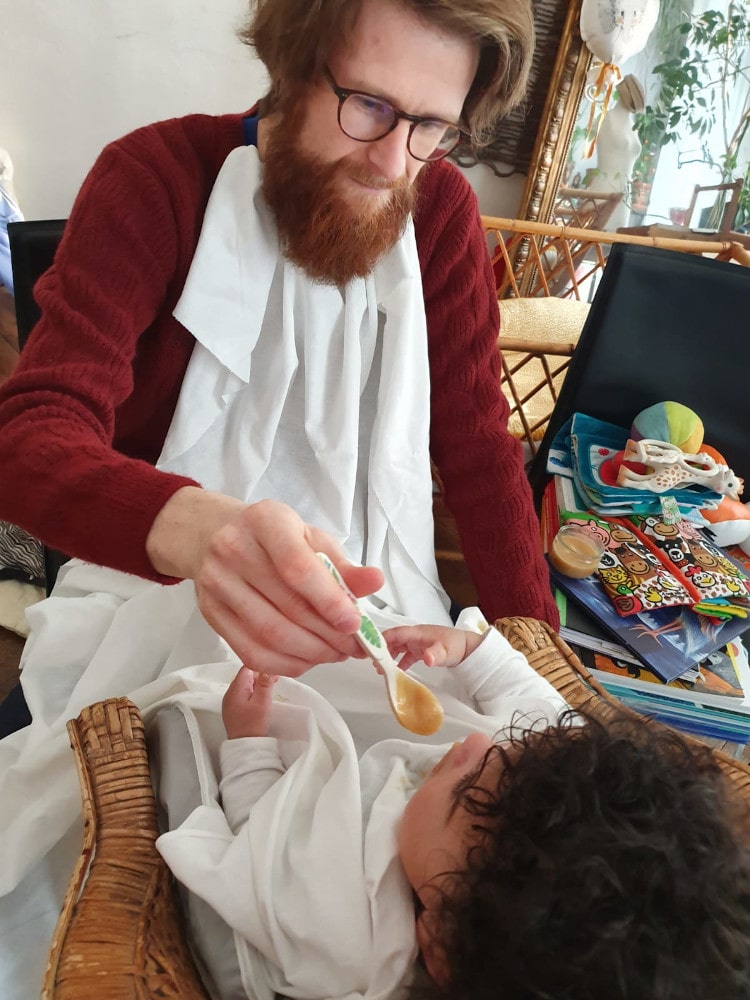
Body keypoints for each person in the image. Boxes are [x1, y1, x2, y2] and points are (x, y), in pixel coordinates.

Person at [0, 0, 557, 699]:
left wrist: (540, 665)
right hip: (152, 597)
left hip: (382, 613)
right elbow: (29, 436)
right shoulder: (153, 178)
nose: (392, 163)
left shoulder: (440, 213)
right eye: (369, 105)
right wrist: (201, 531)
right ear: (291, 63)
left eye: (430, 125)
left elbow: (479, 448)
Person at [155, 618, 750, 1000]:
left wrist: (251, 742)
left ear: (435, 938)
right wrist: (473, 653)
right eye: (517, 752)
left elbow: (263, 836)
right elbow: (545, 715)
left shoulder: (341, 925)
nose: (474, 744)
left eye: (467, 790)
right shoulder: (557, 792)